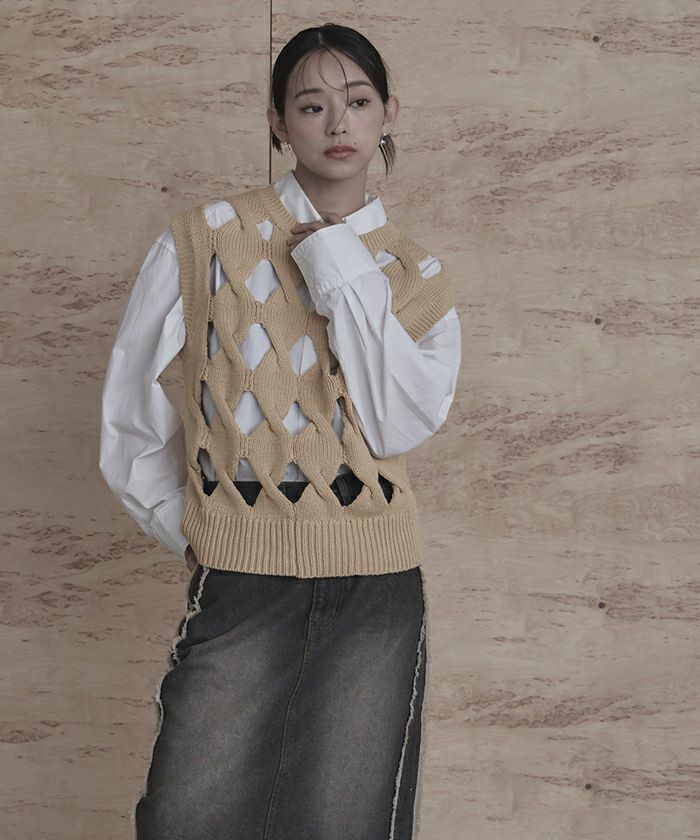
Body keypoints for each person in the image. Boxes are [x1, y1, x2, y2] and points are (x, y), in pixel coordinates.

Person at [99, 22, 461, 840]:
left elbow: (396, 423)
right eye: (311, 105)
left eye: (357, 101)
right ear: (277, 121)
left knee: (345, 822)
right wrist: (196, 528)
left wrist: (341, 264)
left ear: (388, 112)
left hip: (376, 580)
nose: (338, 124)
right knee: (186, 817)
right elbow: (128, 412)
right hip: (243, 566)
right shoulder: (205, 239)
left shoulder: (417, 274)